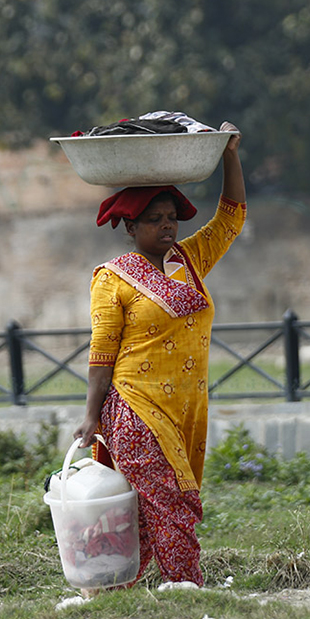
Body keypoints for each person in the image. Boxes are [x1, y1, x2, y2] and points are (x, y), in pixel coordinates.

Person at [73, 121, 246, 589]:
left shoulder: (188, 261)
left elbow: (230, 220)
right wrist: (92, 417)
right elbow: (101, 354)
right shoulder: (112, 278)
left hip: (186, 409)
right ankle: (185, 587)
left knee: (147, 512)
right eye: (154, 219)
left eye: (171, 216)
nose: (167, 225)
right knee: (171, 500)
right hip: (135, 410)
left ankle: (112, 588)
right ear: (131, 226)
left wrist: (229, 153)